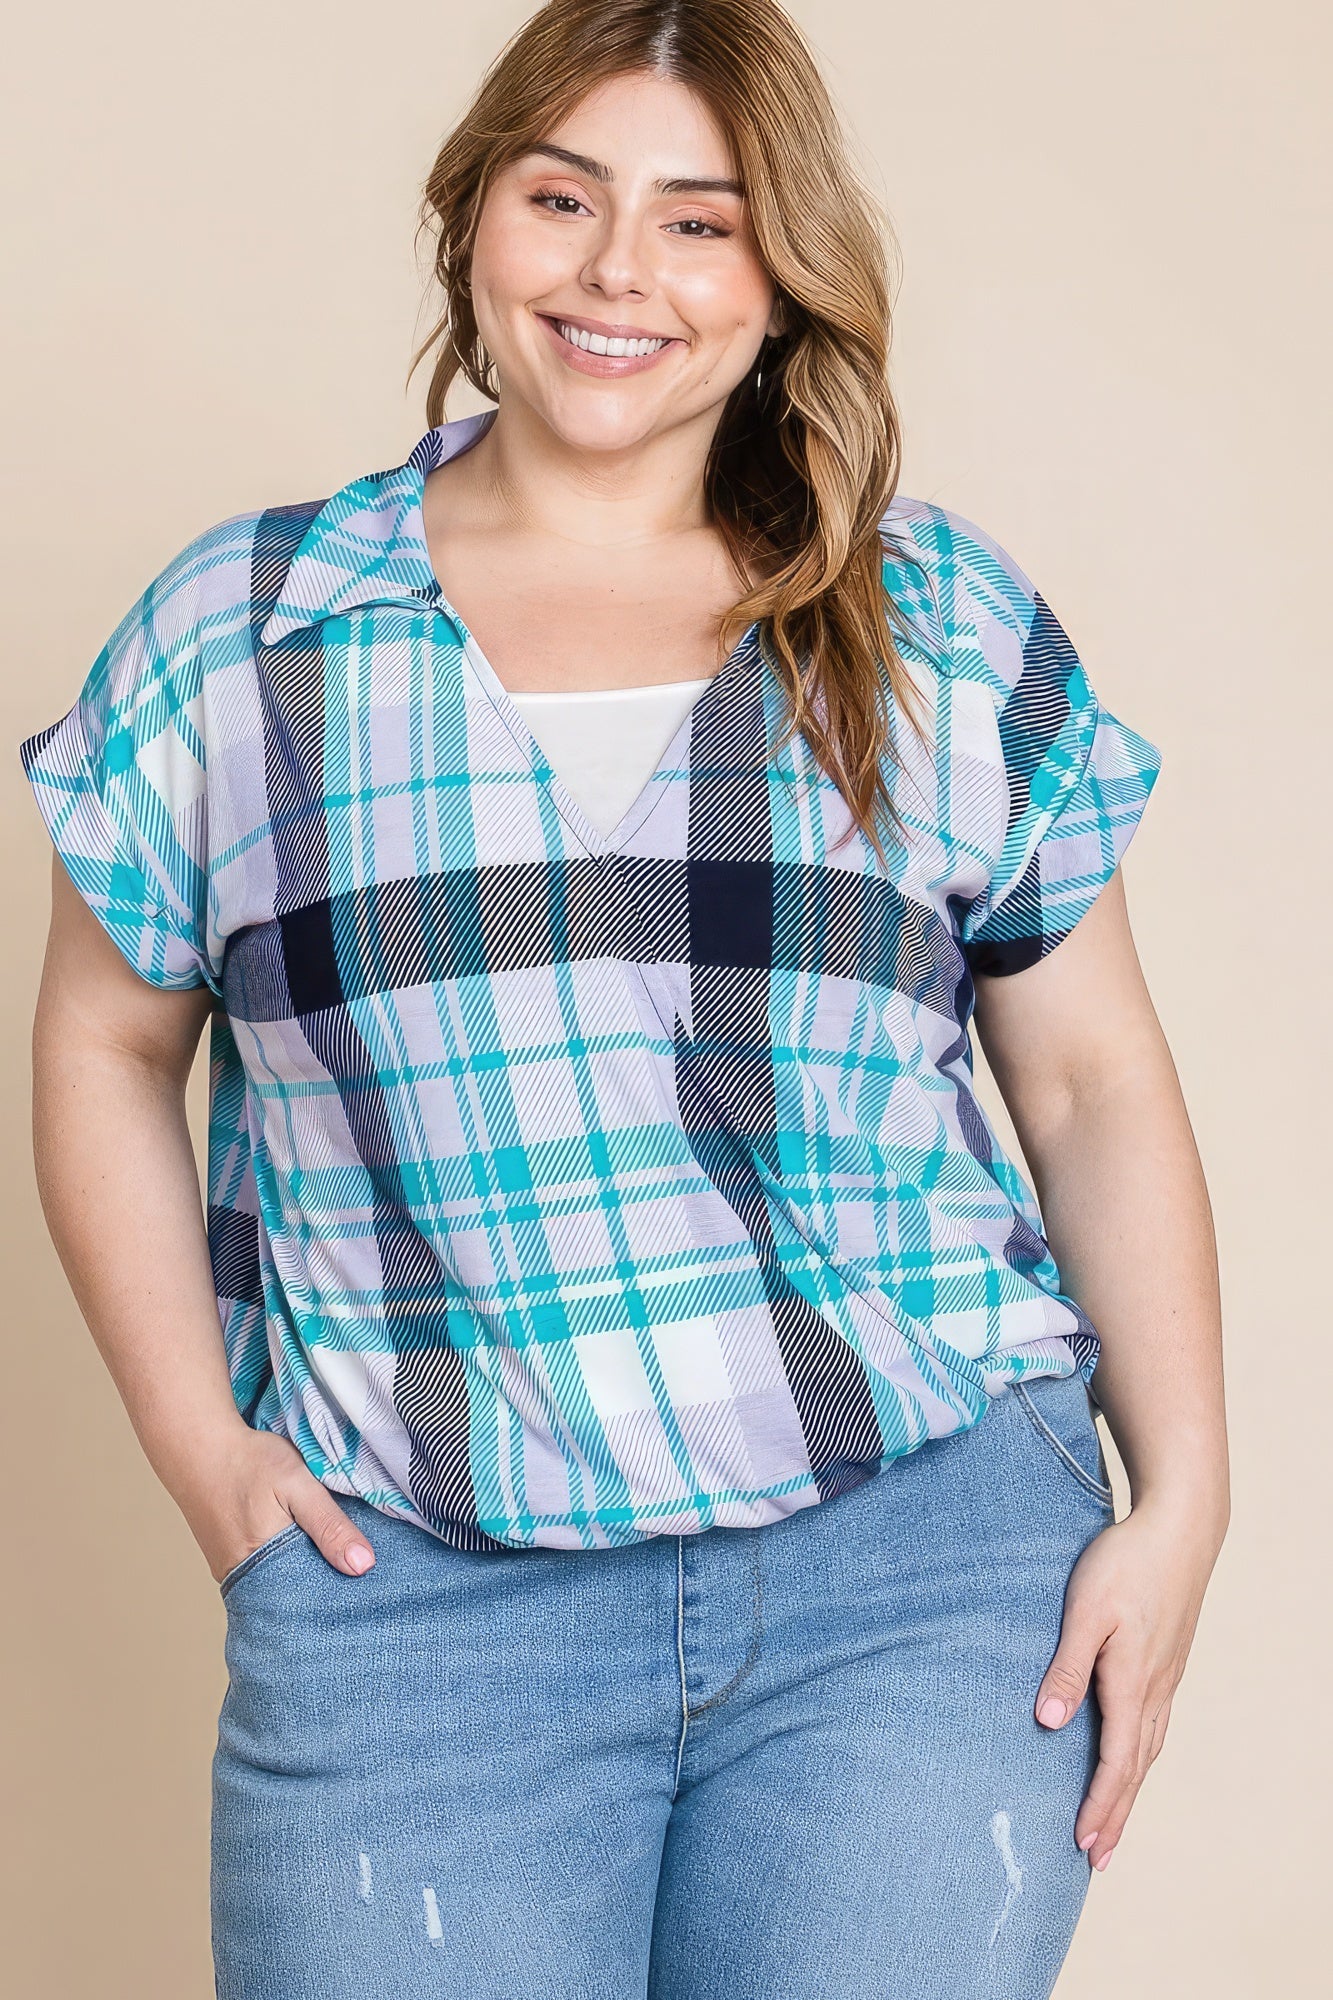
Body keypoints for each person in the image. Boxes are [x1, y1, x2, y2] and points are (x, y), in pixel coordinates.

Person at [18, 2, 1228, 1996]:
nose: (616, 271)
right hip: (417, 1583)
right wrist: (201, 1452)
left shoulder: (926, 618)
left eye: (698, 220)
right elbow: (100, 1041)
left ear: (779, 277)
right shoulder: (245, 632)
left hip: (920, 1571)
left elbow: (1089, 1078)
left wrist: (1183, 1494)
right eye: (561, 197)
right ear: (472, 219)